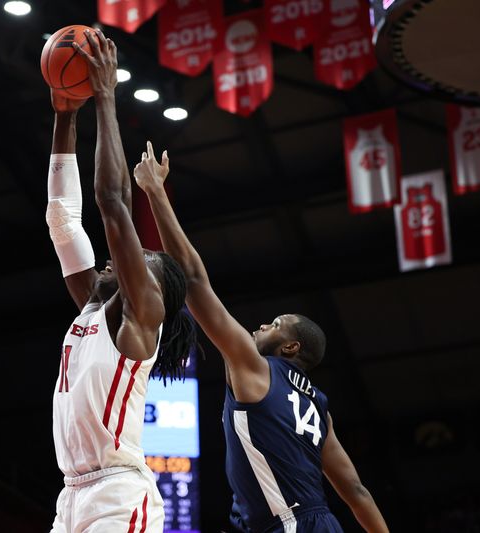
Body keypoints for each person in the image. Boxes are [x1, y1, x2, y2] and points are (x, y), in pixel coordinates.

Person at [134, 142, 389, 533]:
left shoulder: (255, 368)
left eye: (274, 325)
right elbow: (355, 490)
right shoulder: (319, 409)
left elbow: (195, 280)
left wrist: (154, 192)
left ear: (291, 347)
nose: (260, 326)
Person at [45, 29, 196, 533]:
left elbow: (113, 203)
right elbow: (63, 220)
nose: (124, 259)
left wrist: (106, 95)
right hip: (71, 497)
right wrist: (65, 116)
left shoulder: (142, 316)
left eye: (143, 258)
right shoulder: (93, 305)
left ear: (155, 290)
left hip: (117, 495)